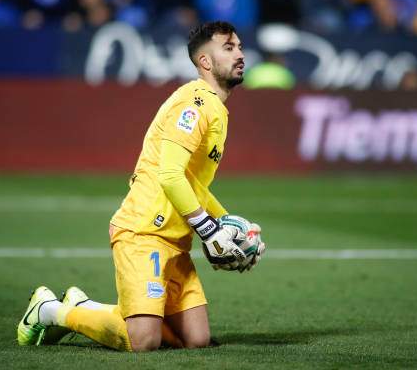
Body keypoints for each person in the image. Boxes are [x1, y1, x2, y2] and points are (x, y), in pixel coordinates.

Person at [17, 21, 266, 352]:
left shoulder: (216, 110)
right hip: (143, 231)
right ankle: (53, 311)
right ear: (204, 61)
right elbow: (170, 175)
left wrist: (234, 226)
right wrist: (209, 229)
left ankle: (89, 306)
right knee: (144, 339)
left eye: (240, 47)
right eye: (229, 48)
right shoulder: (194, 105)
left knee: (196, 340)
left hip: (176, 241)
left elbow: (193, 184)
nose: (240, 54)